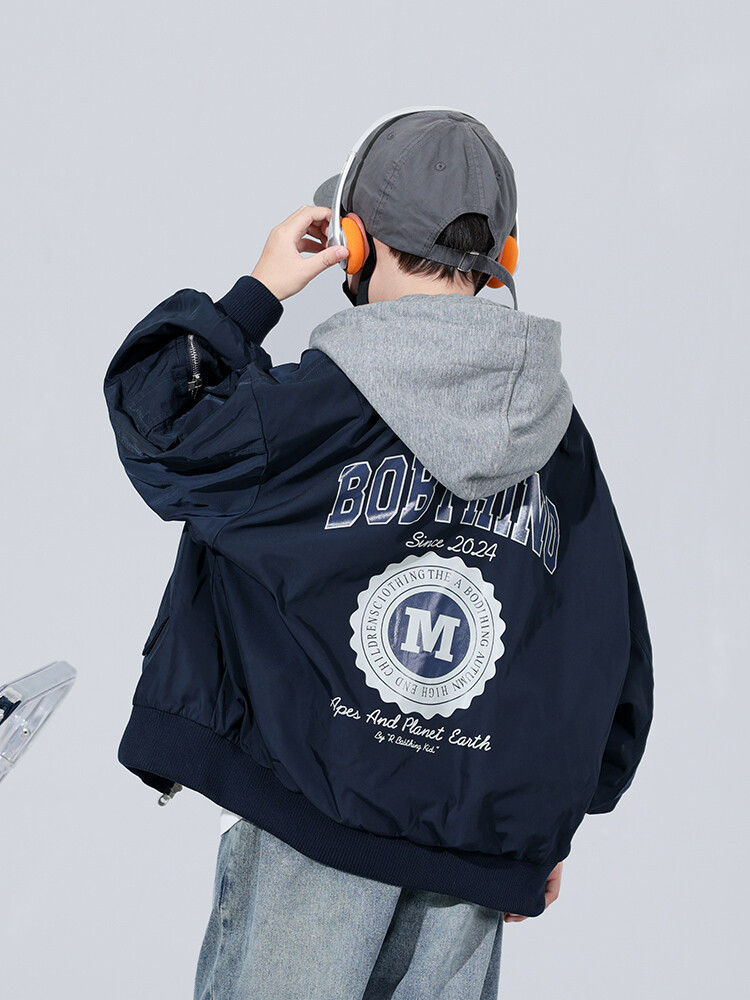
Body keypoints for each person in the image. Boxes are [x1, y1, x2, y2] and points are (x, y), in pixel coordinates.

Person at [103, 108, 654, 1000]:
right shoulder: (558, 441)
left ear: (353, 243)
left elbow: (159, 421)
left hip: (310, 832)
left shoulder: (319, 407)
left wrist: (259, 291)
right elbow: (604, 644)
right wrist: (544, 821)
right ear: (503, 258)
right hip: (469, 866)